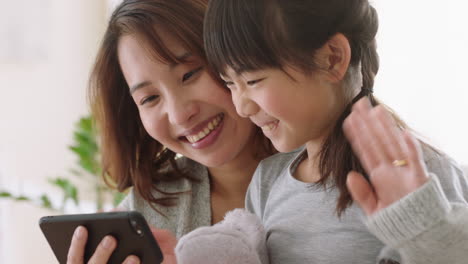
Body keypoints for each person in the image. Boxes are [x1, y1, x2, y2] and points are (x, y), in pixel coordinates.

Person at [202, 0, 468, 263]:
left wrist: (424, 230)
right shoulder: (267, 181)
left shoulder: (419, 174)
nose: (241, 107)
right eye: (230, 84)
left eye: (252, 80)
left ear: (332, 58)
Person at [65, 0, 275, 263]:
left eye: (190, 74)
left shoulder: (329, 165)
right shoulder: (143, 218)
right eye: (149, 98)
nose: (179, 114)